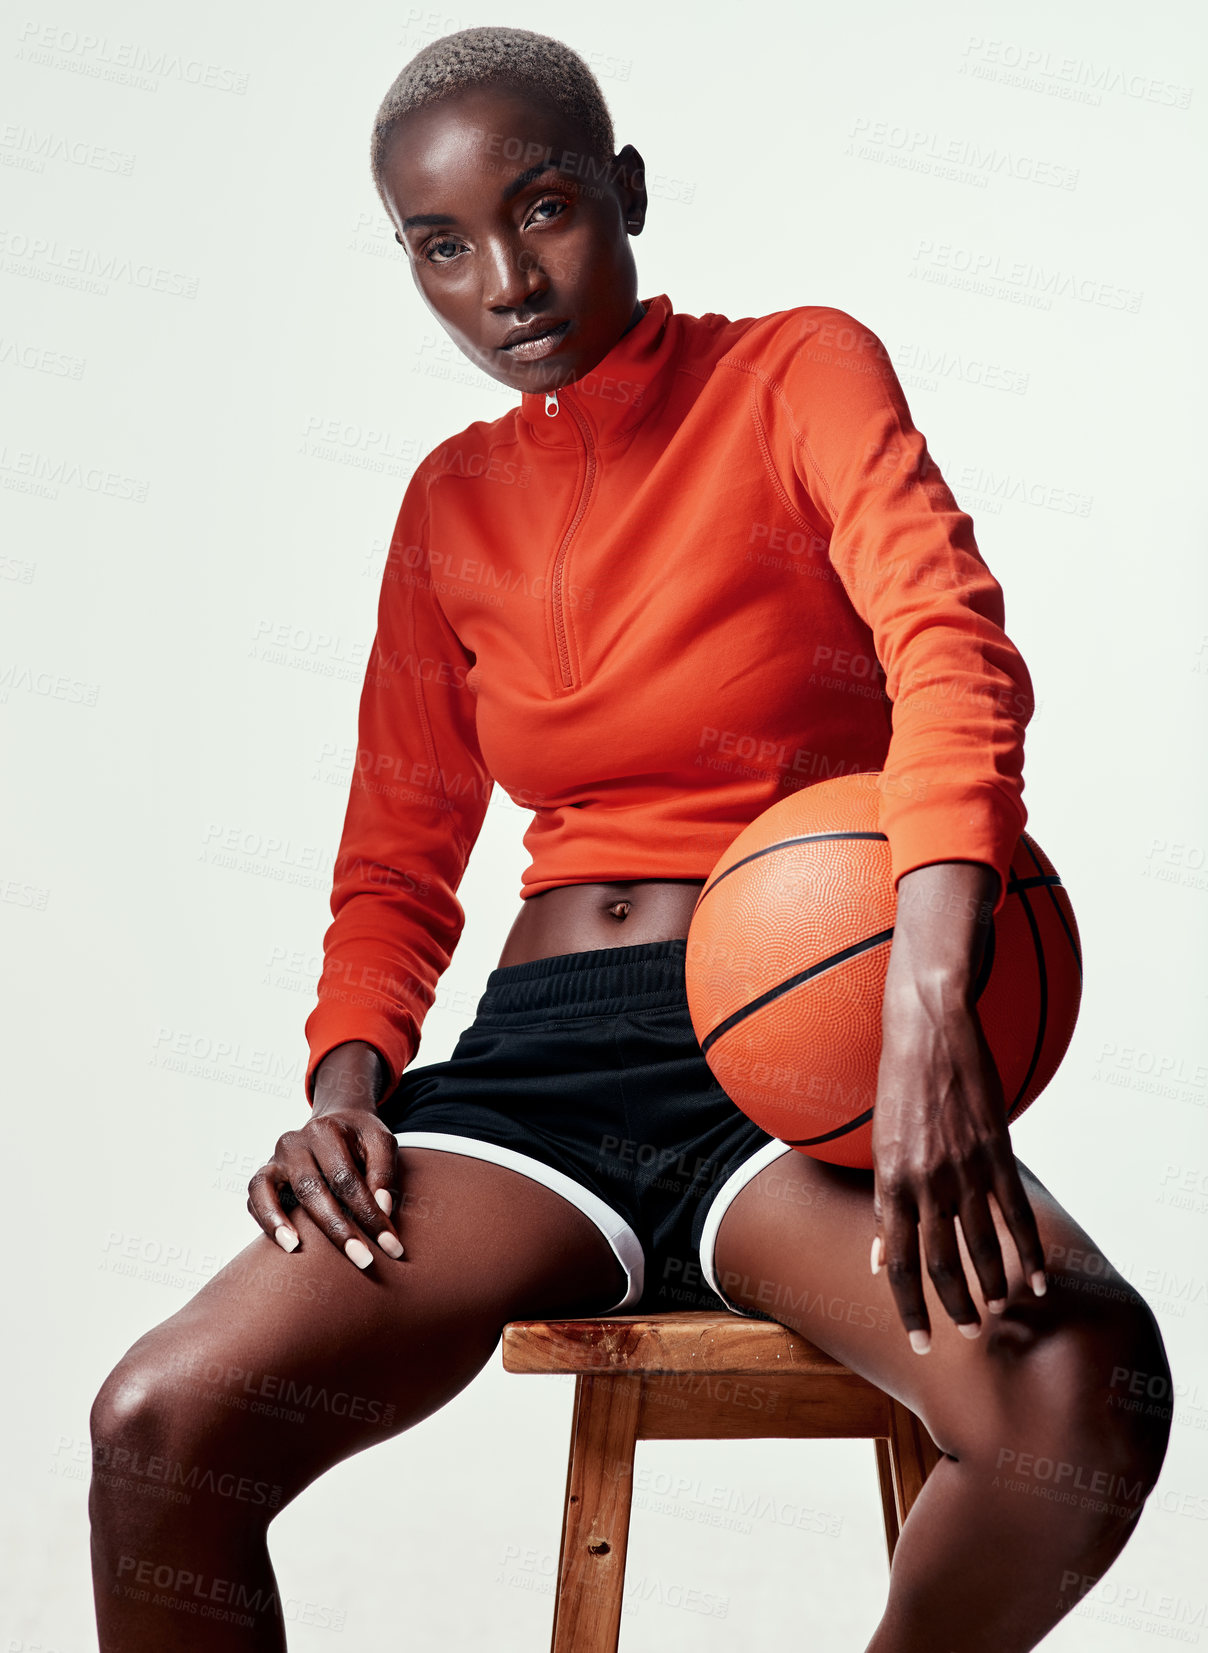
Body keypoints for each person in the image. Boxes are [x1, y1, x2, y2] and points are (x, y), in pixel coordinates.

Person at [89, 26, 1171, 1652]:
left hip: (807, 1066)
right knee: (155, 1428)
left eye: (544, 209)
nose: (504, 280)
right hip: (534, 1081)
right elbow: (395, 853)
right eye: (441, 246)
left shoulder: (796, 369)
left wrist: (930, 1004)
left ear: (630, 191)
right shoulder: (448, 504)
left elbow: (950, 650)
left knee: (1085, 1393)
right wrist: (342, 1087)